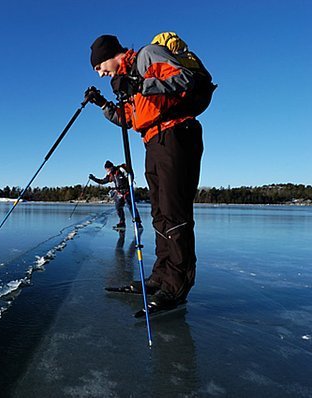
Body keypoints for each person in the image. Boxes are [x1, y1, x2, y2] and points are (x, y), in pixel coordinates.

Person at [84, 34, 204, 311]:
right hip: (153, 141)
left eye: (99, 67)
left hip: (176, 134)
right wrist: (103, 104)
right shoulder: (127, 79)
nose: (101, 74)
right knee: (160, 214)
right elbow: (130, 119)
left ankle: (176, 287)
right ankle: (160, 277)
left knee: (174, 214)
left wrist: (138, 83)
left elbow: (185, 79)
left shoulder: (148, 56)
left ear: (109, 56)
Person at [89, 160, 142, 230]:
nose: (107, 171)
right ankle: (122, 222)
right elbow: (102, 181)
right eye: (106, 170)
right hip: (119, 193)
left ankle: (138, 222)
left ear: (111, 167)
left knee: (131, 206)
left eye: (107, 169)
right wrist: (93, 178)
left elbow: (130, 176)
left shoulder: (120, 170)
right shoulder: (110, 175)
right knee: (118, 208)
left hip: (127, 191)